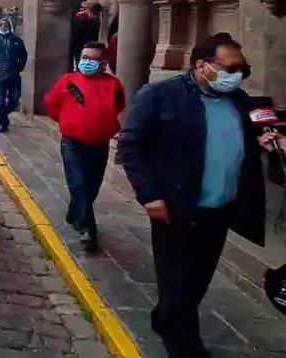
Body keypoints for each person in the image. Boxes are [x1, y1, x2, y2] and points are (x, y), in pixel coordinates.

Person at [118, 33, 265, 357]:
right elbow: (130, 145)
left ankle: (165, 317)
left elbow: (243, 141)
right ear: (202, 65)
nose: (237, 75)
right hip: (176, 206)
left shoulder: (238, 100)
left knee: (198, 279)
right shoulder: (160, 95)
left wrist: (266, 141)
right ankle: (184, 345)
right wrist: (150, 195)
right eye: (230, 67)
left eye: (243, 69)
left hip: (221, 206)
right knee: (179, 281)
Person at [44, 42, 125, 251]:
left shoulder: (113, 85)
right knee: (78, 183)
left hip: (100, 144)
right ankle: (89, 228)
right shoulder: (68, 81)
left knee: (91, 186)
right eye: (84, 57)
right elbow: (51, 105)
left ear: (103, 63)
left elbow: (119, 107)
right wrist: (69, 122)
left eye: (92, 58)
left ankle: (75, 212)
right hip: (73, 142)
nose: (86, 62)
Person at [0, 18, 28, 132]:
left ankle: (1, 114)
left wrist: (20, 67)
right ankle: (1, 122)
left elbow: (23, 55)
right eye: (1, 24)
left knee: (14, 99)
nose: (3, 26)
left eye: (6, 24)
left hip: (13, 74)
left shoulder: (16, 40)